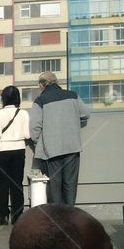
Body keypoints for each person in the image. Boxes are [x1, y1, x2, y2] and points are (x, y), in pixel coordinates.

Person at [28, 71, 90, 206]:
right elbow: (85, 114)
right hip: (73, 147)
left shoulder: (40, 100)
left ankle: (58, 218)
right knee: (70, 185)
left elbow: (34, 129)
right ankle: (70, 215)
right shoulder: (72, 95)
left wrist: (40, 142)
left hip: (52, 150)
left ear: (42, 85)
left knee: (55, 187)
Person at [0, 85, 31, 225]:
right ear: (17, 98)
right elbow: (27, 134)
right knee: (17, 183)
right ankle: (17, 216)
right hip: (19, 150)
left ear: (3, 98)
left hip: (3, 150)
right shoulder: (24, 113)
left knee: (2, 185)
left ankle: (3, 216)